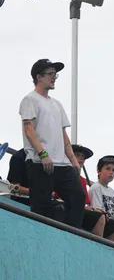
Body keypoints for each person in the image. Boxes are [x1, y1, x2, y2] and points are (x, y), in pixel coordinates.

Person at [19, 58, 85, 227]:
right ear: (39, 77)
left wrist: (72, 160)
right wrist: (43, 154)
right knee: (41, 207)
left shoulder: (57, 104)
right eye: (50, 74)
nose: (54, 77)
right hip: (39, 161)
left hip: (61, 163)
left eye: (55, 74)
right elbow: (29, 129)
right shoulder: (30, 99)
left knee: (77, 196)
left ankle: (71, 235)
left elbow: (63, 135)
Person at [88, 156, 114, 243]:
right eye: (108, 169)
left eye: (113, 170)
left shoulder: (111, 191)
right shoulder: (96, 187)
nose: (111, 172)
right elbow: (97, 209)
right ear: (99, 171)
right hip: (108, 226)